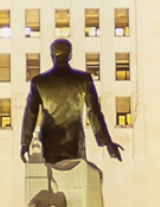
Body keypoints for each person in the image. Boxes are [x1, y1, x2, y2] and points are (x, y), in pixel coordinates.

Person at [20, 38, 123, 166]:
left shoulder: (39, 82)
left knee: (50, 174)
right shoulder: (84, 80)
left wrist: (25, 143)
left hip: (49, 141)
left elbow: (31, 114)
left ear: (52, 56)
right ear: (70, 56)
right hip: (74, 140)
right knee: (76, 174)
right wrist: (107, 142)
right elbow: (93, 113)